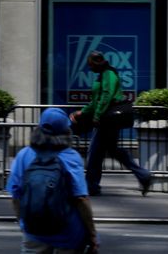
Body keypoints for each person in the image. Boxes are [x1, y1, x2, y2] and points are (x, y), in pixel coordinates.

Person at [7, 107, 99, 254]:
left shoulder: (24, 155)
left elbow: (15, 195)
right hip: (68, 233)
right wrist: (92, 234)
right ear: (66, 131)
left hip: (34, 233)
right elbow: (81, 199)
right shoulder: (70, 156)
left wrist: (24, 225)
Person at [69, 51, 152, 197]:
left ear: (95, 62)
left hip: (107, 120)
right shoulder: (103, 75)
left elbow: (106, 96)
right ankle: (143, 176)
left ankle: (92, 186)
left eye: (90, 65)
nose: (89, 68)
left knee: (95, 152)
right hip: (106, 119)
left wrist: (97, 115)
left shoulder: (108, 74)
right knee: (112, 151)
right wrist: (83, 112)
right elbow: (96, 100)